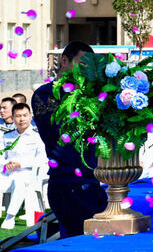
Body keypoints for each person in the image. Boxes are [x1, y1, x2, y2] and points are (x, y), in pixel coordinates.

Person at [32, 41, 107, 238]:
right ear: (64, 60)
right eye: (81, 65)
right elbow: (57, 134)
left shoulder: (91, 95)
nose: (86, 71)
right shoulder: (44, 94)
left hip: (93, 182)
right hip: (66, 184)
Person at [0, 103, 47, 229]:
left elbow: (41, 159)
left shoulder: (37, 136)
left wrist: (21, 163)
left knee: (19, 181)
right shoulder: (6, 136)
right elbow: (1, 155)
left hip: (28, 173)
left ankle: (9, 217)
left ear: (30, 116)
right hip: (7, 173)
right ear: (13, 118)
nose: (22, 119)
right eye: (18, 116)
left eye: (25, 115)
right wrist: (6, 164)